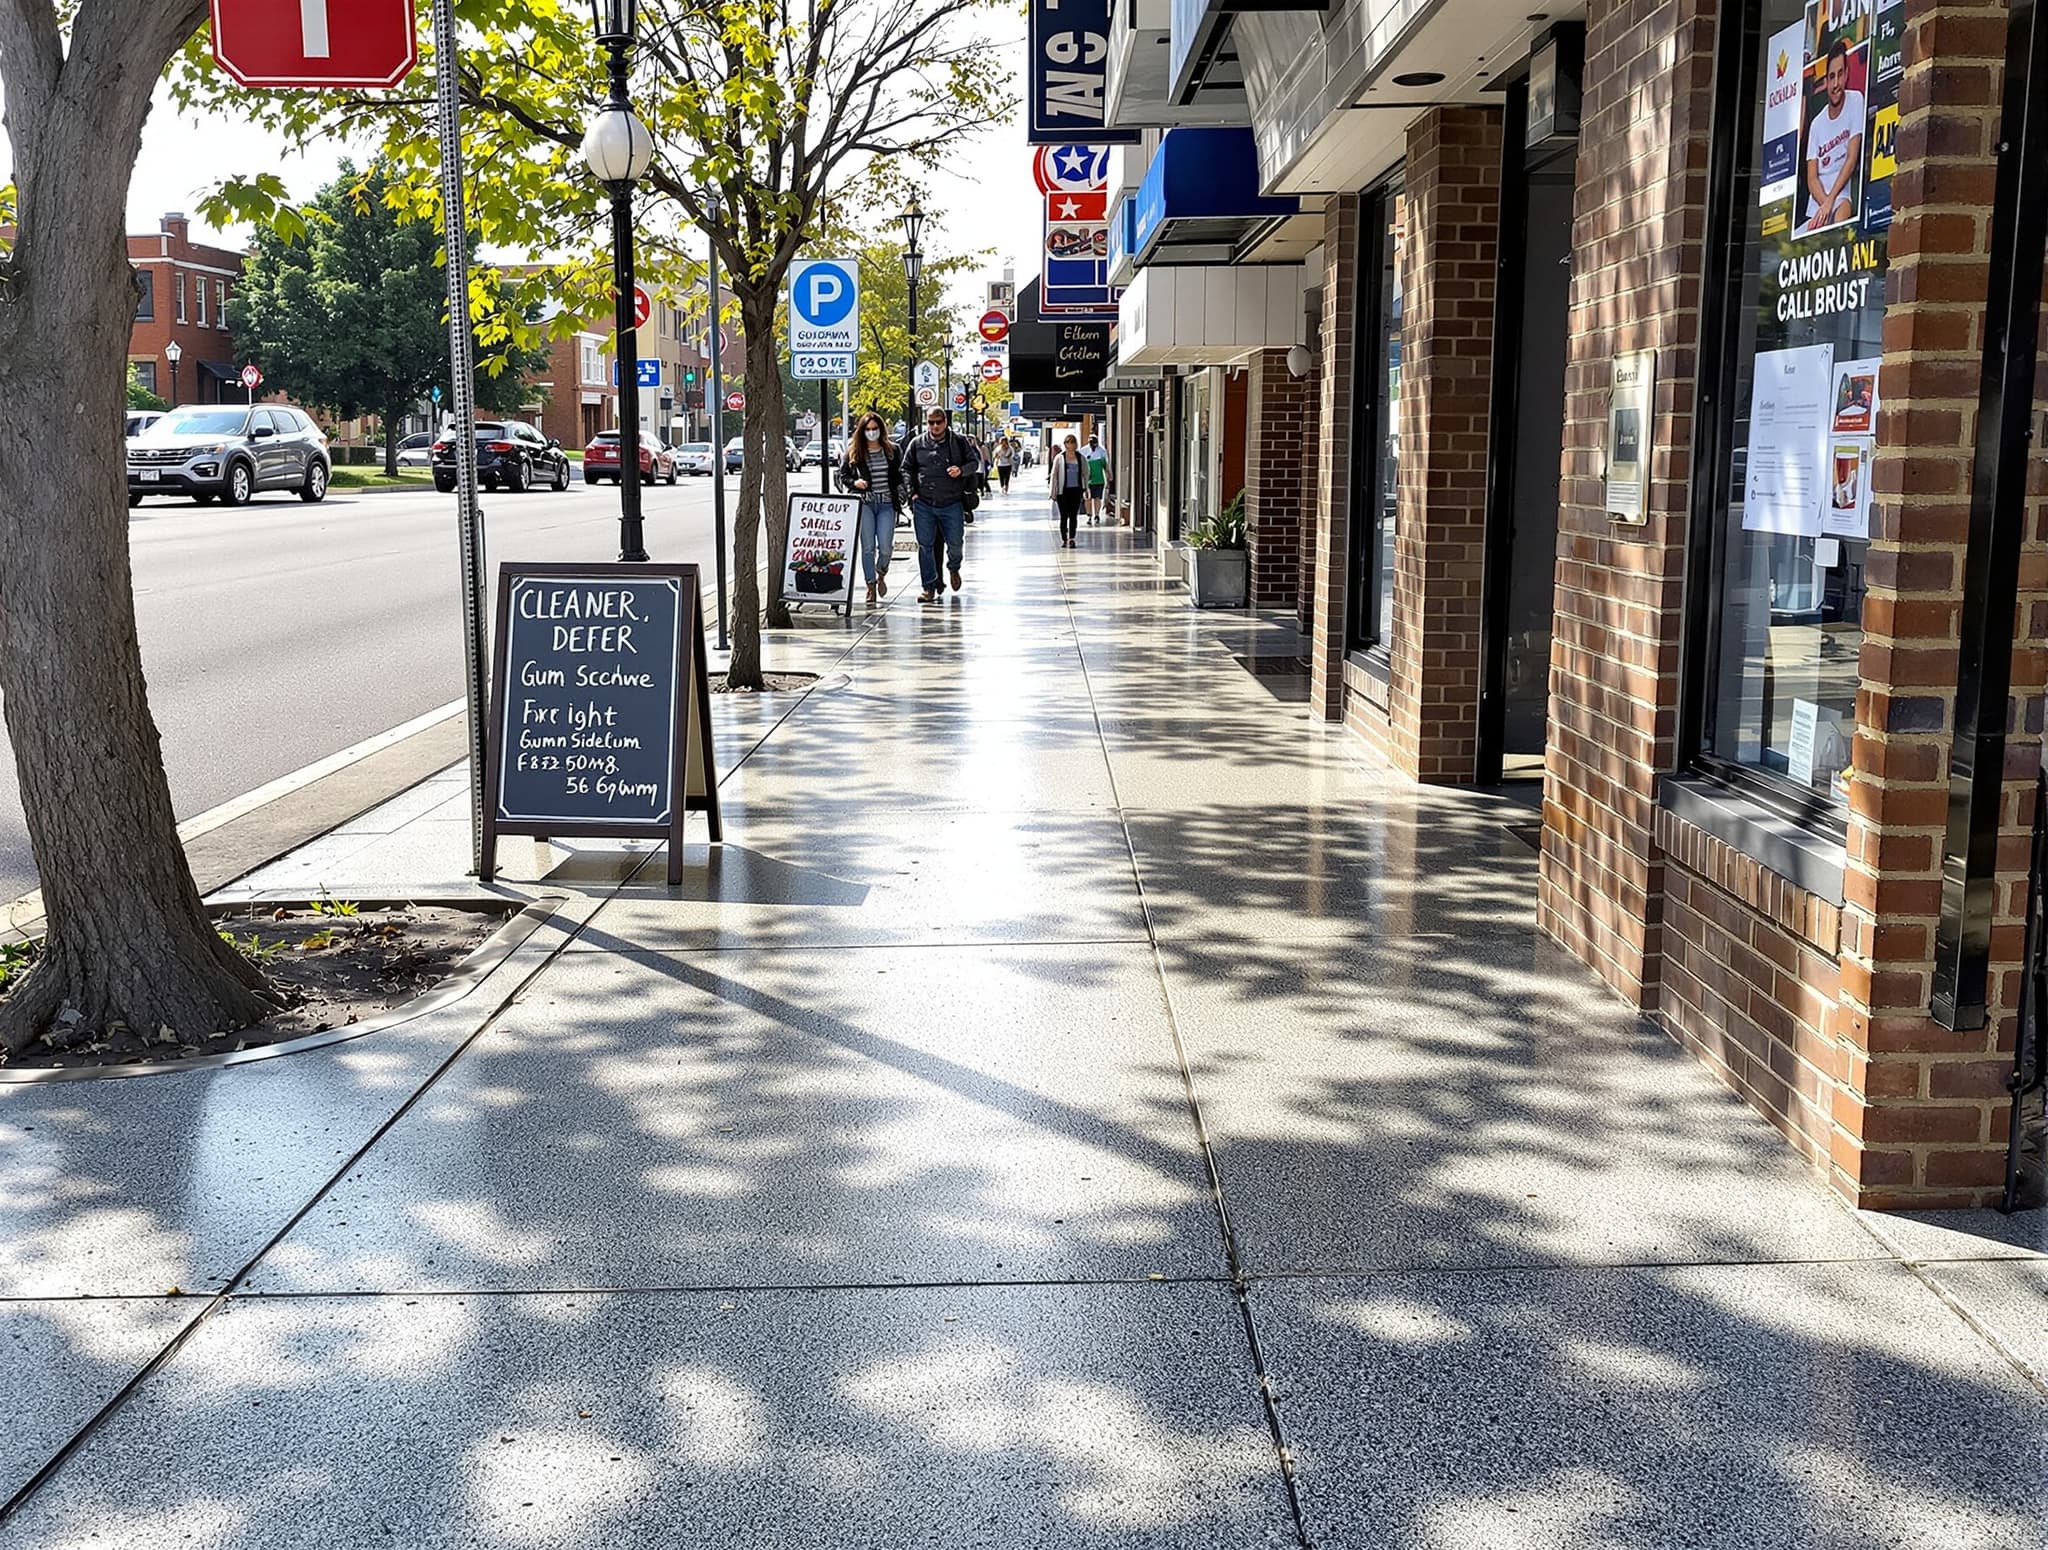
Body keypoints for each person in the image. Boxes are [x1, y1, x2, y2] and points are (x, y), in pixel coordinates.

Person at [902, 409, 980, 601]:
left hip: (951, 502)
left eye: (938, 422)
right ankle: (928, 587)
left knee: (955, 543)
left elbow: (974, 463)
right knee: (925, 546)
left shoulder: (958, 442)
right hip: (924, 503)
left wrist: (960, 470)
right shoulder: (917, 443)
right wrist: (912, 492)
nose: (935, 426)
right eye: (931, 422)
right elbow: (906, 468)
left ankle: (953, 568)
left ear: (945, 422)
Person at [836, 411, 902, 607]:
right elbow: (842, 476)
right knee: (867, 548)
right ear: (861, 431)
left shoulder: (893, 450)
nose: (871, 432)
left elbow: (899, 475)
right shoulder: (854, 452)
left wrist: (903, 493)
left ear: (881, 430)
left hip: (887, 504)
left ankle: (881, 572)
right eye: (868, 429)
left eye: (875, 429)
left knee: (886, 547)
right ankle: (870, 585)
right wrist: (855, 483)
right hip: (865, 503)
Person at [1802, 40, 1863, 234]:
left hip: (1840, 196)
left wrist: (1831, 201)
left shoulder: (1856, 101)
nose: (1835, 83)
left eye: (1839, 74)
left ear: (1846, 75)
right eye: (1831, 77)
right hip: (1817, 205)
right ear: (1826, 81)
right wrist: (1824, 205)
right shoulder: (1816, 124)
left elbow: (1852, 158)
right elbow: (1811, 177)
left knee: (1840, 226)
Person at [1049, 434, 1084, 548]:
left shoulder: (1080, 457)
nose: (1070, 445)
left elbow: (1086, 473)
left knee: (1073, 516)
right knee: (1064, 516)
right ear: (1065, 444)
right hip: (1062, 492)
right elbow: (1054, 475)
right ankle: (1064, 538)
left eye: (1072, 442)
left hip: (1076, 490)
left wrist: (1085, 488)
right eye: (1068, 442)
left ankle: (1072, 538)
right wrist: (1053, 492)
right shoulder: (1059, 458)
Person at [1082, 433, 1110, 524]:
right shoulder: (1083, 451)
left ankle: (1097, 515)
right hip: (1087, 480)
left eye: (1094, 442)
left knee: (1097, 498)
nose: (1093, 444)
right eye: (1091, 442)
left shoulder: (1102, 451)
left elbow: (1106, 465)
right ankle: (1089, 515)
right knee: (1088, 498)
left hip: (1099, 479)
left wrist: (1109, 475)